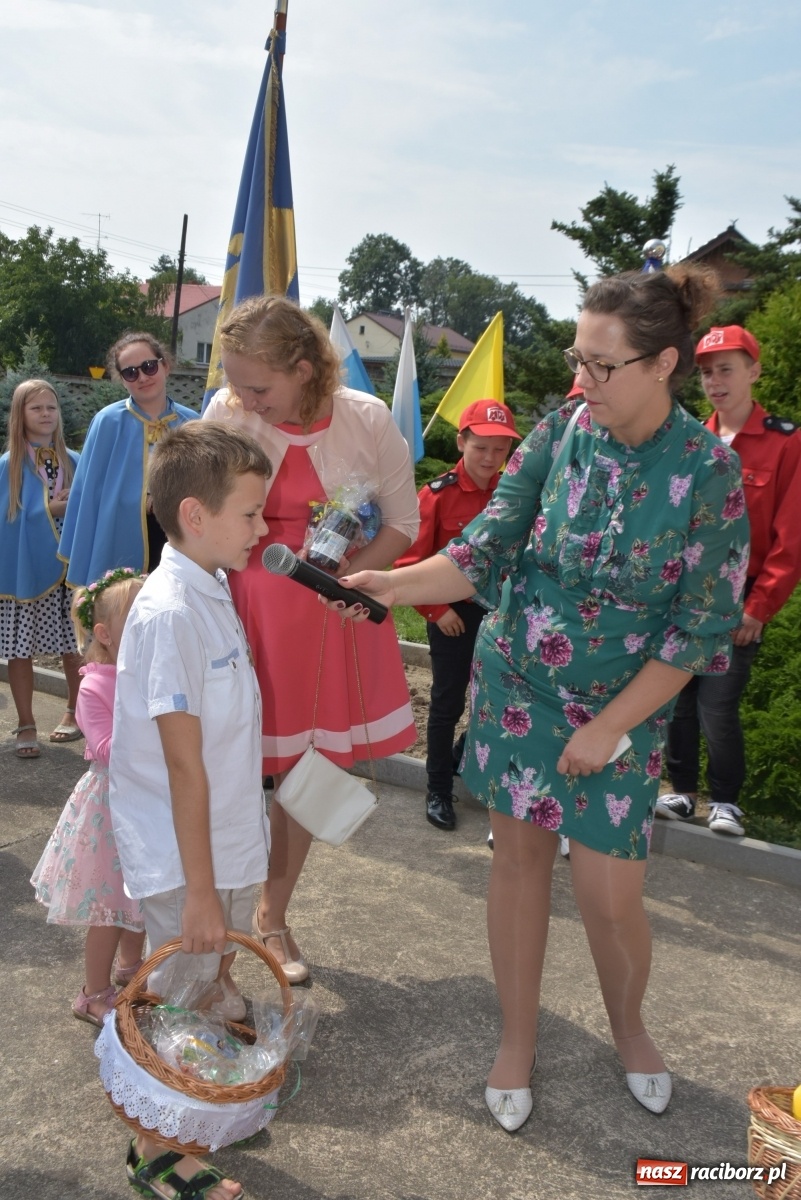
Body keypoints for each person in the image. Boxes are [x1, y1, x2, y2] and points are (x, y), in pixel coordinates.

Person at [333, 265, 750, 1127]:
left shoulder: (709, 472)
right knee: (518, 864)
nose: (581, 379)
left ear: (661, 363)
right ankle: (515, 1039)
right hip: (519, 682)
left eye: (601, 364)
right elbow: (481, 550)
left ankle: (628, 1027)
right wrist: (392, 584)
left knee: (609, 897)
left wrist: (609, 726)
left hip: (623, 708)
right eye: (577, 357)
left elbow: (698, 630)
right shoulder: (559, 432)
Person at [203, 295, 418, 984]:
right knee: (228, 768)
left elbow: (402, 523)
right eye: (236, 382)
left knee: (307, 772)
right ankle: (214, 912)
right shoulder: (226, 414)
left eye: (258, 386)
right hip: (244, 614)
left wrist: (355, 577)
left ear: (303, 369)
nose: (244, 398)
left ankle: (272, 915)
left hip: (330, 620)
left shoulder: (367, 418)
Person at [109, 421, 272, 1200]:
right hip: (185, 857)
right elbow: (181, 766)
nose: (264, 527)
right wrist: (202, 891)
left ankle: (188, 1112)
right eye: (250, 513)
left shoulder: (211, 586)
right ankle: (155, 1150)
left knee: (200, 981)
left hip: (223, 839)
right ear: (197, 516)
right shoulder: (170, 611)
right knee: (170, 995)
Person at [657, 326, 801, 836]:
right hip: (681, 596)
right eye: (706, 372)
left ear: (754, 371)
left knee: (718, 705)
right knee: (676, 700)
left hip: (738, 604)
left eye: (727, 369)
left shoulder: (786, 443)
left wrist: (759, 607)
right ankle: (680, 792)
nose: (715, 382)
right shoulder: (691, 437)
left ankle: (724, 800)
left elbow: (791, 536)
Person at [395, 399, 521, 831]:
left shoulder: (515, 495)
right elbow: (408, 563)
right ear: (461, 441)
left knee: (501, 703)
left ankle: (456, 760)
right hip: (455, 617)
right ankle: (438, 789)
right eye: (481, 447)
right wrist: (437, 609)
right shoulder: (437, 495)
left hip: (503, 617)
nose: (490, 459)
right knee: (447, 703)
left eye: (500, 450)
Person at [30, 567, 147, 1025]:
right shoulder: (96, 685)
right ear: (105, 633)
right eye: (138, 622)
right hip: (111, 807)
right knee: (111, 908)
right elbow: (103, 748)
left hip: (146, 801)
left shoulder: (145, 674)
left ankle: (131, 969)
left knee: (141, 895)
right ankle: (93, 992)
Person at [58, 332, 198, 586]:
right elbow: (89, 494)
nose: (143, 377)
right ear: (122, 380)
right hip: (118, 538)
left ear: (165, 365)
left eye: (149, 366)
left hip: (178, 538)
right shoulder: (107, 421)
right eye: (131, 373)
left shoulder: (192, 423)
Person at [0, 380, 82, 755]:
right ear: (21, 415)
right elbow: (9, 518)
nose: (46, 414)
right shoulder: (8, 467)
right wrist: (51, 508)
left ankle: (75, 712)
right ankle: (26, 722)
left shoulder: (76, 460)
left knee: (75, 641)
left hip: (70, 563)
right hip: (28, 567)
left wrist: (71, 503)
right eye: (37, 408)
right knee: (20, 647)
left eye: (52, 407)